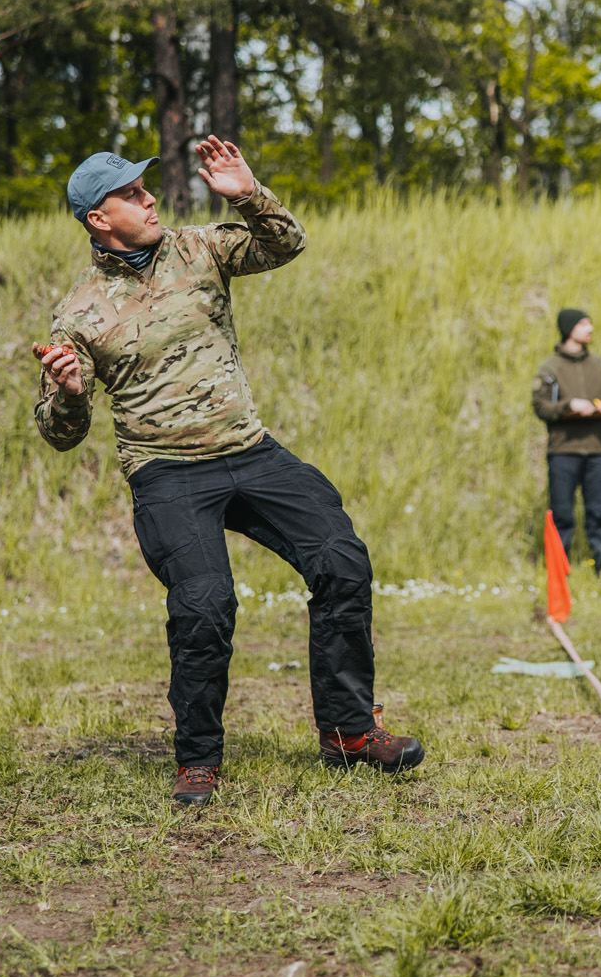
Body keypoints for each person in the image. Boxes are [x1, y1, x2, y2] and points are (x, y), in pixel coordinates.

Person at [32, 139, 423, 806]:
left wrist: (247, 193)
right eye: (131, 193)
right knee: (206, 604)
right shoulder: (81, 312)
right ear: (98, 217)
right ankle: (198, 760)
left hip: (249, 450)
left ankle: (350, 733)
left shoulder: (200, 248)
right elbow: (59, 432)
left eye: (145, 188)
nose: (149, 198)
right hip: (167, 471)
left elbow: (286, 243)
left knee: (341, 559)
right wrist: (69, 393)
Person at [532, 309, 601, 591]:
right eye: (583, 324)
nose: (590, 328)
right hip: (564, 452)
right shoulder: (550, 368)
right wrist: (568, 406)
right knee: (562, 515)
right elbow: (540, 407)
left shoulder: (600, 365)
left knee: (599, 513)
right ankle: (559, 575)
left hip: (597, 451)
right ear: (569, 328)